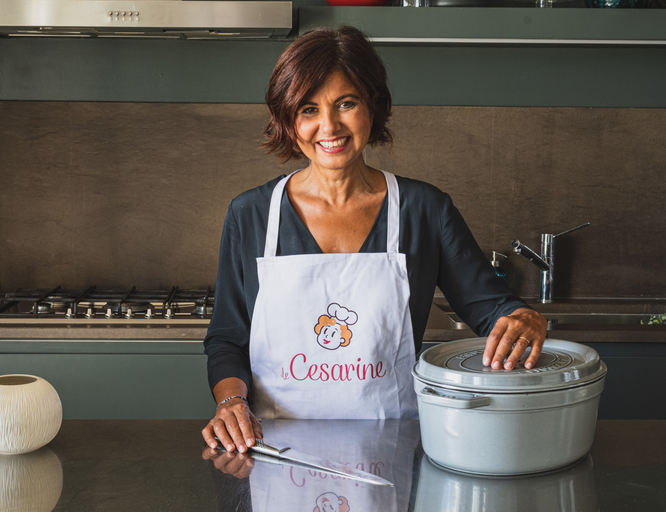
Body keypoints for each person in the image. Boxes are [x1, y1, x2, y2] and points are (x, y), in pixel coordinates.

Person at [202, 26, 547, 455]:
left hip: (393, 449)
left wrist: (522, 317)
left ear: (373, 106)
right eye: (308, 109)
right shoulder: (250, 214)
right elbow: (227, 339)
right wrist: (231, 402)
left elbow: (490, 308)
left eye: (346, 103)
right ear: (289, 120)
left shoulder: (425, 209)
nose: (329, 126)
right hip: (273, 448)